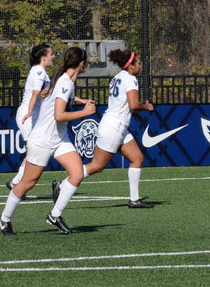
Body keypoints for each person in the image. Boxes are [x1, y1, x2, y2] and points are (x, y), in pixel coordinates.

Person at [0, 46, 96, 235]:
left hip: (60, 139)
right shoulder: (64, 82)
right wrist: (84, 113)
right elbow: (59, 115)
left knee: (77, 174)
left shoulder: (65, 80)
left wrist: (80, 101)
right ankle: (4, 219)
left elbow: (48, 94)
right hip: (42, 140)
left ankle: (55, 215)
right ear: (82, 64)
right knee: (27, 183)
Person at [51, 49, 155, 208]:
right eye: (139, 63)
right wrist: (146, 107)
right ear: (131, 66)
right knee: (97, 166)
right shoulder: (130, 79)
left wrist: (134, 114)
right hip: (114, 128)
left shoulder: (118, 77)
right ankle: (62, 184)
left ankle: (134, 200)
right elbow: (133, 104)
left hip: (117, 126)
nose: (140, 66)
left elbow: (123, 104)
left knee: (137, 158)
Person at [5, 43, 54, 192]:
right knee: (34, 152)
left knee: (34, 152)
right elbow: (35, 94)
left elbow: (47, 94)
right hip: (28, 116)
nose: (53, 57)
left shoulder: (40, 71)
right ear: (43, 57)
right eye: (51, 54)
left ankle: (16, 183)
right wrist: (30, 112)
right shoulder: (39, 72)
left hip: (33, 116)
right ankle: (16, 183)